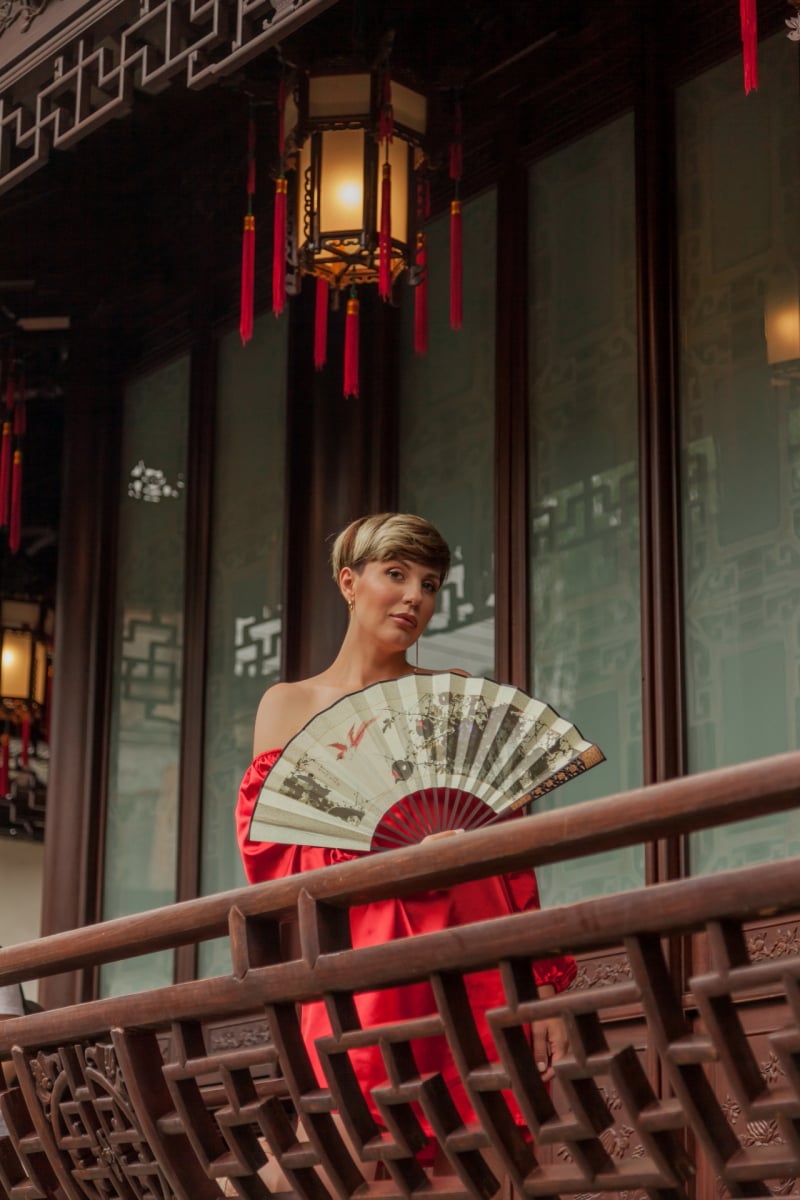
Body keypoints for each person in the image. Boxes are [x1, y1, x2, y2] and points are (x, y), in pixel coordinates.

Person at [236, 512, 576, 1160]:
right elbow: (272, 858)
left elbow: (514, 865)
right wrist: (391, 857)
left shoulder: (456, 701)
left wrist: (546, 989)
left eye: (430, 583)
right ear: (349, 582)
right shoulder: (289, 705)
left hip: (469, 952)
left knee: (477, 1154)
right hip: (355, 962)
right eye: (396, 575)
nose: (415, 597)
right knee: (358, 1152)